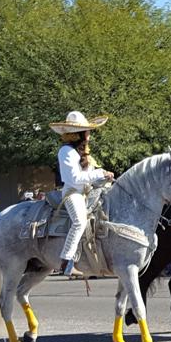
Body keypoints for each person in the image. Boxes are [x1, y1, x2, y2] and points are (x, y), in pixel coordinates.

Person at [49, 111, 114, 276]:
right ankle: (66, 261)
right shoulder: (66, 151)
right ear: (79, 133)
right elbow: (74, 179)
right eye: (87, 131)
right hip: (73, 193)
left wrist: (104, 176)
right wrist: (99, 173)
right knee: (79, 221)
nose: (90, 133)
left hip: (87, 193)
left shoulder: (83, 152)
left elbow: (89, 176)